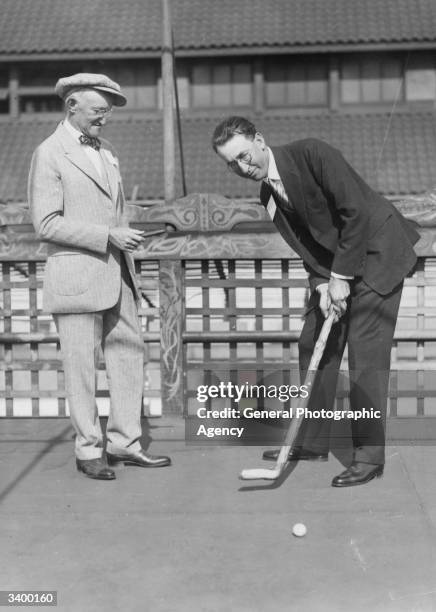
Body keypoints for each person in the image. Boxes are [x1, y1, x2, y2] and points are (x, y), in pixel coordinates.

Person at [212, 116, 419, 487]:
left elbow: (354, 213)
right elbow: (306, 245)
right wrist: (323, 283)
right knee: (314, 343)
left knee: (365, 353)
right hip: (340, 266)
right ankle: (310, 441)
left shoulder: (312, 153)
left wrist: (340, 277)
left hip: (379, 252)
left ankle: (369, 457)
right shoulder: (267, 194)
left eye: (244, 156)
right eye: (232, 164)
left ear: (260, 140)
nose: (243, 168)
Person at [28, 73, 171, 480]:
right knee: (81, 367)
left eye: (107, 113)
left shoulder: (106, 151)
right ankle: (88, 449)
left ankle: (125, 443)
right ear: (71, 106)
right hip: (76, 278)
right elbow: (46, 224)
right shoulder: (49, 154)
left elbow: (110, 211)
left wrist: (125, 233)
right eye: (96, 111)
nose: (103, 120)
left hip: (118, 275)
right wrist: (108, 235)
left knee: (129, 356)